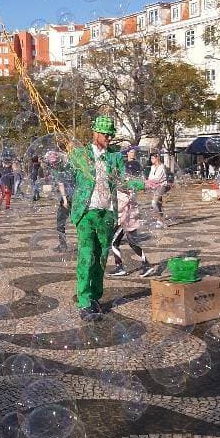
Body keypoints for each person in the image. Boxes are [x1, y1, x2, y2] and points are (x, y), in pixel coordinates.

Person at [69, 115, 140, 320]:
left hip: (107, 213)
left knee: (101, 258)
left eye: (111, 134)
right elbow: (65, 176)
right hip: (86, 213)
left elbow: (123, 182)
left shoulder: (115, 157)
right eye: (105, 134)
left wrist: (144, 184)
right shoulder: (79, 154)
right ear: (95, 133)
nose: (109, 137)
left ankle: (95, 298)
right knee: (86, 255)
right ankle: (83, 301)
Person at [109, 185, 158, 277]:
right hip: (132, 221)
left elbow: (118, 208)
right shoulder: (130, 191)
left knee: (114, 243)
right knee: (133, 244)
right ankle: (146, 265)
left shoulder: (120, 193)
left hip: (124, 222)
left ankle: (119, 267)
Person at [146, 152, 168, 226]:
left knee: (154, 202)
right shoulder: (152, 167)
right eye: (151, 158)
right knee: (158, 203)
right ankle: (160, 220)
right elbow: (150, 177)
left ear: (157, 158)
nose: (151, 160)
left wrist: (149, 182)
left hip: (162, 186)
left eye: (153, 158)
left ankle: (160, 220)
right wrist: (149, 182)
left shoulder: (162, 167)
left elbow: (157, 178)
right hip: (154, 186)